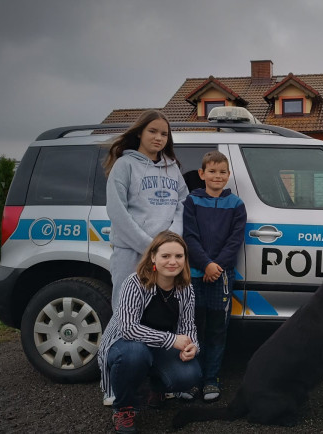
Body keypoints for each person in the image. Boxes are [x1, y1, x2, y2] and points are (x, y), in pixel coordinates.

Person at [98, 230, 202, 434]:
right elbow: (128, 329)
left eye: (178, 256)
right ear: (153, 257)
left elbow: (189, 326)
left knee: (191, 373)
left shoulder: (186, 288)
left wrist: (193, 347)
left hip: (159, 346)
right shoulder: (134, 283)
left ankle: (156, 389)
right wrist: (172, 339)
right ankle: (124, 408)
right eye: (166, 256)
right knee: (136, 354)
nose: (173, 262)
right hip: (124, 344)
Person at [104, 109, 188, 310]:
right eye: (153, 131)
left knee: (160, 311)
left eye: (164, 134)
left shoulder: (172, 168)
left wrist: (171, 241)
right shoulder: (125, 165)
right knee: (127, 309)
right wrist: (149, 247)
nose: (159, 138)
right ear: (140, 133)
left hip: (165, 254)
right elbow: (117, 211)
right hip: (131, 252)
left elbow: (182, 203)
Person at [182, 150, 246, 402]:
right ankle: (191, 379)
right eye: (212, 171)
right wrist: (205, 264)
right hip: (195, 276)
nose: (217, 176)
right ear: (202, 174)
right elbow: (190, 237)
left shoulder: (236, 205)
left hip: (222, 276)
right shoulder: (192, 201)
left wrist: (216, 266)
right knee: (194, 327)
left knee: (217, 330)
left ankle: (210, 379)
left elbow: (235, 240)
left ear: (228, 175)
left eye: (222, 172)